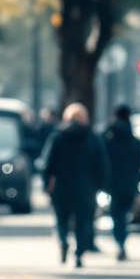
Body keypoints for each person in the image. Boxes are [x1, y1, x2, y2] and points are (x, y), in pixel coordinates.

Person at [40, 103, 108, 268]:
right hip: (86, 189)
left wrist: (46, 183)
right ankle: (78, 254)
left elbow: (47, 163)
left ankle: (63, 241)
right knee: (83, 223)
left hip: (61, 187)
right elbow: (102, 164)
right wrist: (101, 185)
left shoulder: (57, 137)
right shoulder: (92, 137)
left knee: (61, 220)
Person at [103, 104, 140, 261]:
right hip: (130, 183)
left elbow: (102, 159)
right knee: (125, 214)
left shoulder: (108, 136)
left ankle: (119, 242)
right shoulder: (133, 139)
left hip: (113, 183)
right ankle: (122, 241)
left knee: (116, 215)